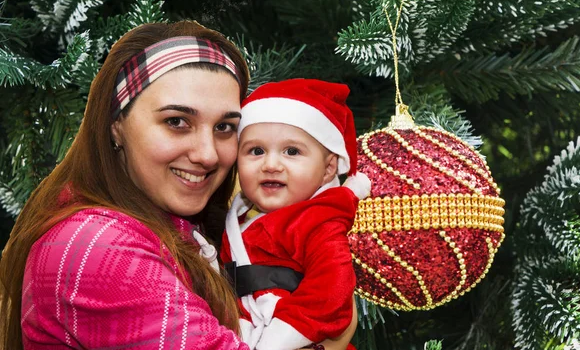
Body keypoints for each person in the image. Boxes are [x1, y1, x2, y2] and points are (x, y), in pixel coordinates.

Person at [0, 22, 356, 350]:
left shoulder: (182, 223)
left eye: (224, 128)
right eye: (176, 121)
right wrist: (331, 340)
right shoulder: (96, 245)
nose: (207, 155)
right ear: (115, 125)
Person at [221, 79, 371, 350]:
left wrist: (278, 341)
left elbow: (331, 291)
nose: (271, 164)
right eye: (256, 151)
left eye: (292, 151)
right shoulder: (237, 219)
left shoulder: (318, 222)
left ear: (328, 169)